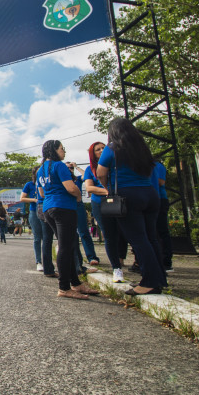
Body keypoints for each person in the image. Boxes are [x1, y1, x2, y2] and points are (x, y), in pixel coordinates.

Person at [97, 118, 167, 296]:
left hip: (128, 196)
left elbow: (101, 172)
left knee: (138, 240)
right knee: (151, 238)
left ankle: (150, 281)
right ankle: (159, 278)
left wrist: (108, 189)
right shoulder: (142, 147)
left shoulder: (112, 147)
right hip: (150, 194)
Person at [39, 140, 98, 300]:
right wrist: (78, 197)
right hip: (64, 207)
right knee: (66, 247)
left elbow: (42, 192)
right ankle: (64, 287)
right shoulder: (59, 166)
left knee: (69, 245)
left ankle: (75, 283)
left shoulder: (40, 170)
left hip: (48, 208)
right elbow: (71, 187)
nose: (64, 151)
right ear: (54, 151)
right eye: (62, 149)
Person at [84, 141, 124, 283]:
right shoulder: (90, 169)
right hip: (100, 203)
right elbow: (89, 188)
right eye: (97, 149)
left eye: (103, 148)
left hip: (119, 201)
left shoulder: (116, 166)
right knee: (109, 234)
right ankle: (116, 268)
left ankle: (122, 259)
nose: (101, 151)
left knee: (123, 232)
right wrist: (107, 191)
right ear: (92, 154)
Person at [68, 162, 99, 265]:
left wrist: (77, 167)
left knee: (84, 232)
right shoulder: (63, 179)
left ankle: (92, 257)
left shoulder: (77, 178)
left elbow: (87, 175)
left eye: (71, 168)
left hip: (78, 205)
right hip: (66, 206)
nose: (70, 169)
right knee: (71, 235)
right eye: (67, 168)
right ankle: (76, 260)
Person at [21, 168, 43, 271]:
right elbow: (22, 198)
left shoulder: (46, 182)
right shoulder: (29, 184)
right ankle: (39, 261)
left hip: (47, 210)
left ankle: (48, 262)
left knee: (47, 237)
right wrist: (34, 200)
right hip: (34, 211)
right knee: (37, 237)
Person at [154, 161, 173, 272]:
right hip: (148, 199)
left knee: (162, 231)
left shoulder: (157, 165)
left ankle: (166, 262)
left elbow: (161, 181)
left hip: (159, 199)